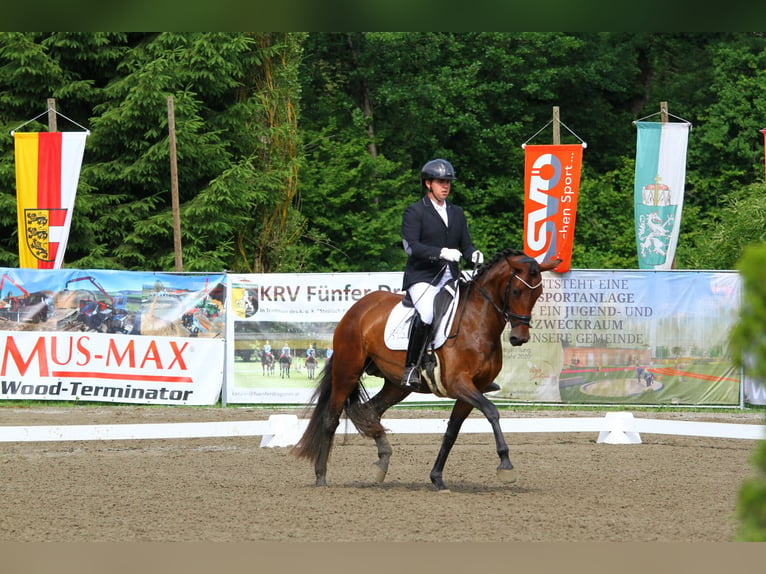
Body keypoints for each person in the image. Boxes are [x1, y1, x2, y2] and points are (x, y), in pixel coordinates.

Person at [400, 158, 484, 391]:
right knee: (427, 314)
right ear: (428, 184)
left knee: (471, 312)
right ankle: (411, 368)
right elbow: (411, 247)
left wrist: (473, 253)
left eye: (448, 182)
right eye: (440, 182)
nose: (445, 186)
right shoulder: (415, 211)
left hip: (451, 277)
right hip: (423, 277)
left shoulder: (456, 213)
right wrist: (440, 253)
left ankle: (477, 371)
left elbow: (465, 244)